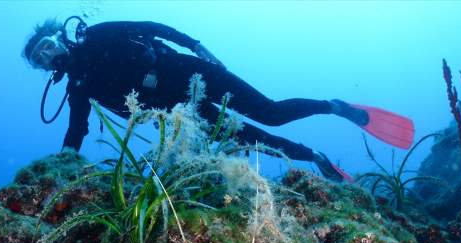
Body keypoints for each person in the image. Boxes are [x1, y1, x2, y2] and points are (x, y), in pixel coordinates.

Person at [22, 17, 414, 183]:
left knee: (271, 114)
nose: (48, 55)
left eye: (47, 46)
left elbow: (150, 28)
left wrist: (197, 45)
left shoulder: (96, 35)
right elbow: (77, 130)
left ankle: (336, 107)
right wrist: (63, 165)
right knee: (251, 140)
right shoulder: (78, 88)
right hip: (183, 110)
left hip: (193, 75)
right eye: (40, 59)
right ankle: (315, 157)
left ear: (58, 36)